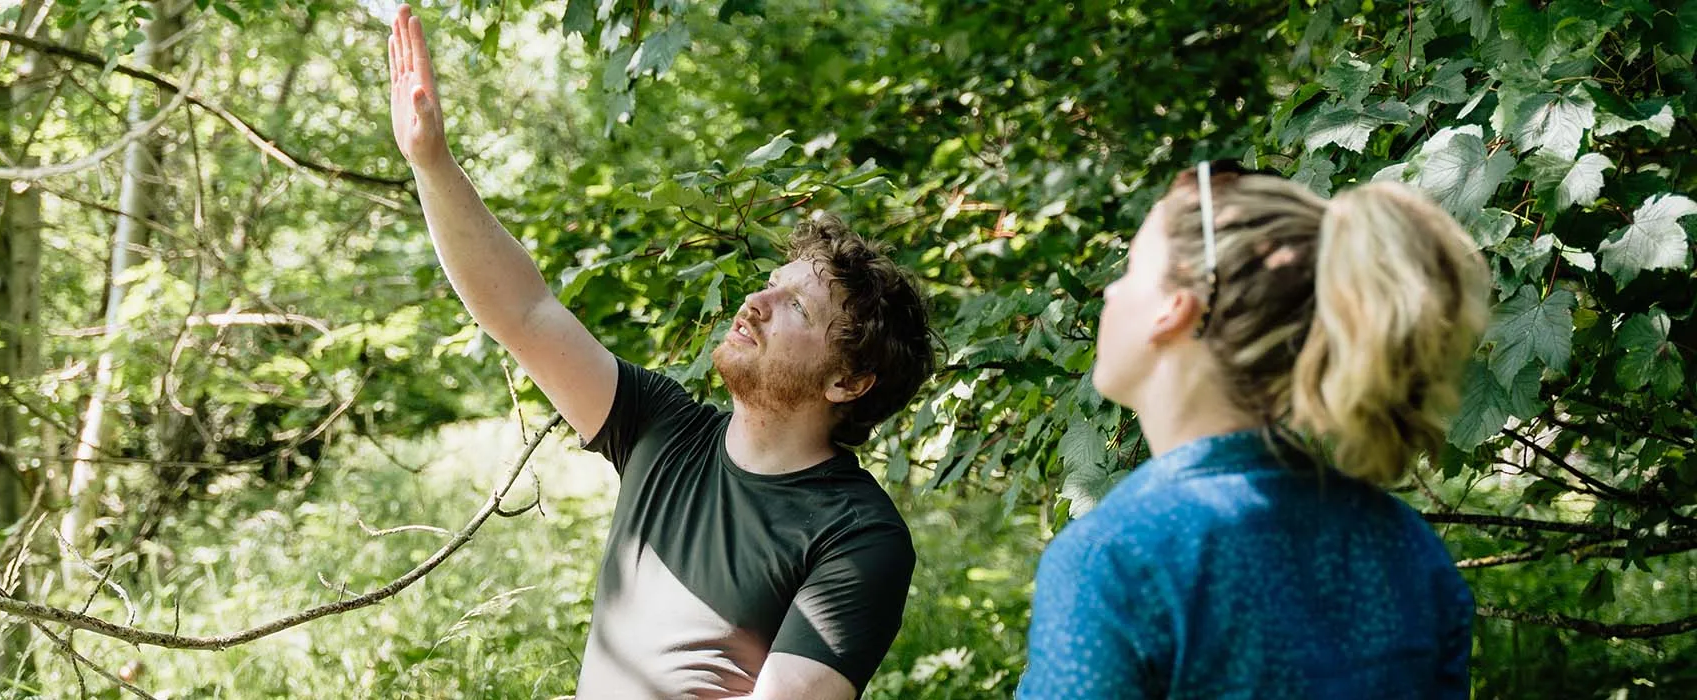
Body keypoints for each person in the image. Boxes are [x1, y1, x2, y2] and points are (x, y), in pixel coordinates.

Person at [384, 6, 935, 698]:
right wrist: (431, 162)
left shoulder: (857, 536)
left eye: (796, 306)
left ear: (850, 382)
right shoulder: (662, 428)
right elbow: (524, 312)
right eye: (770, 285)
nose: (754, 304)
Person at [1018, 162, 1485, 698]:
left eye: (1131, 269)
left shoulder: (1114, 561)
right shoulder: (1407, 547)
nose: (1109, 293)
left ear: (1174, 310)